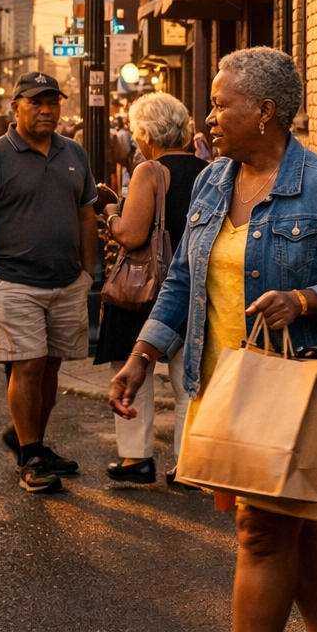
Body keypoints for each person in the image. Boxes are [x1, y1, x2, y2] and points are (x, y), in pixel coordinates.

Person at [109, 47, 317, 632]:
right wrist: (142, 355)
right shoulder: (210, 180)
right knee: (297, 523)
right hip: (222, 382)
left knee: (261, 531)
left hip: (294, 384)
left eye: (218, 105)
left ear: (264, 110)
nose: (207, 118)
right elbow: (182, 278)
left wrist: (303, 300)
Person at [0, 72, 97, 493]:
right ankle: (30, 459)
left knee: (50, 365)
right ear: (16, 107)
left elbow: (86, 214)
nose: (46, 110)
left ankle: (33, 441)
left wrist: (87, 273)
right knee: (26, 364)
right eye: (36, 102)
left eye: (52, 103)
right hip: (12, 280)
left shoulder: (74, 152)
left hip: (66, 281)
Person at [93, 92, 207, 485]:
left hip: (144, 291)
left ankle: (135, 459)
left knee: (130, 370)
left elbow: (131, 233)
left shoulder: (150, 171)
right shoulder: (210, 169)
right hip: (194, 283)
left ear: (146, 134)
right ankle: (188, 462)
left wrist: (109, 212)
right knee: (186, 381)